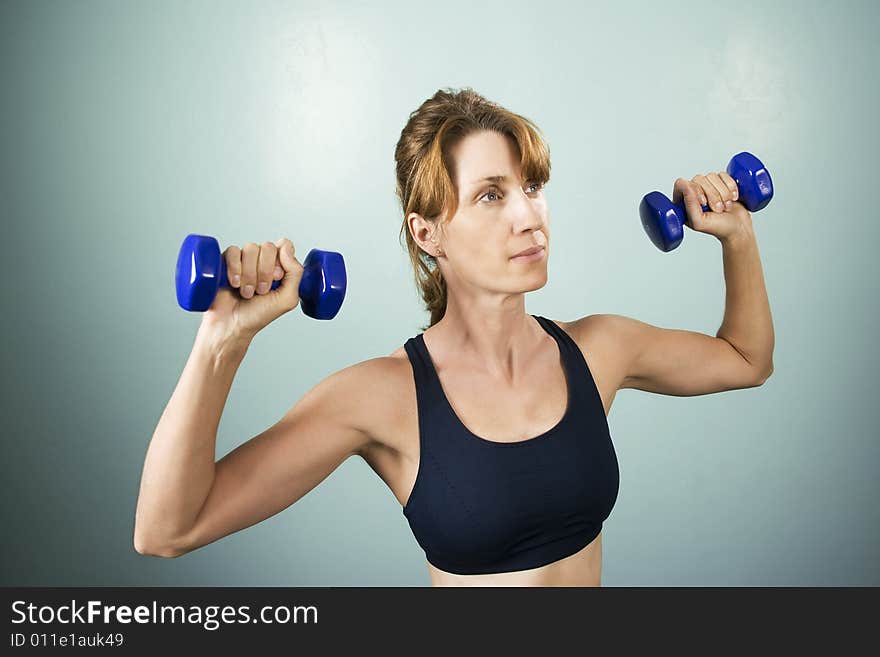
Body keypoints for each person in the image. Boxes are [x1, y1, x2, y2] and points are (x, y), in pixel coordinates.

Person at [134, 87, 775, 587]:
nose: (530, 217)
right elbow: (168, 528)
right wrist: (223, 340)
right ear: (428, 234)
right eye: (492, 196)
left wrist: (738, 236)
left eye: (531, 187)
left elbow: (747, 360)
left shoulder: (599, 350)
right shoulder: (382, 396)